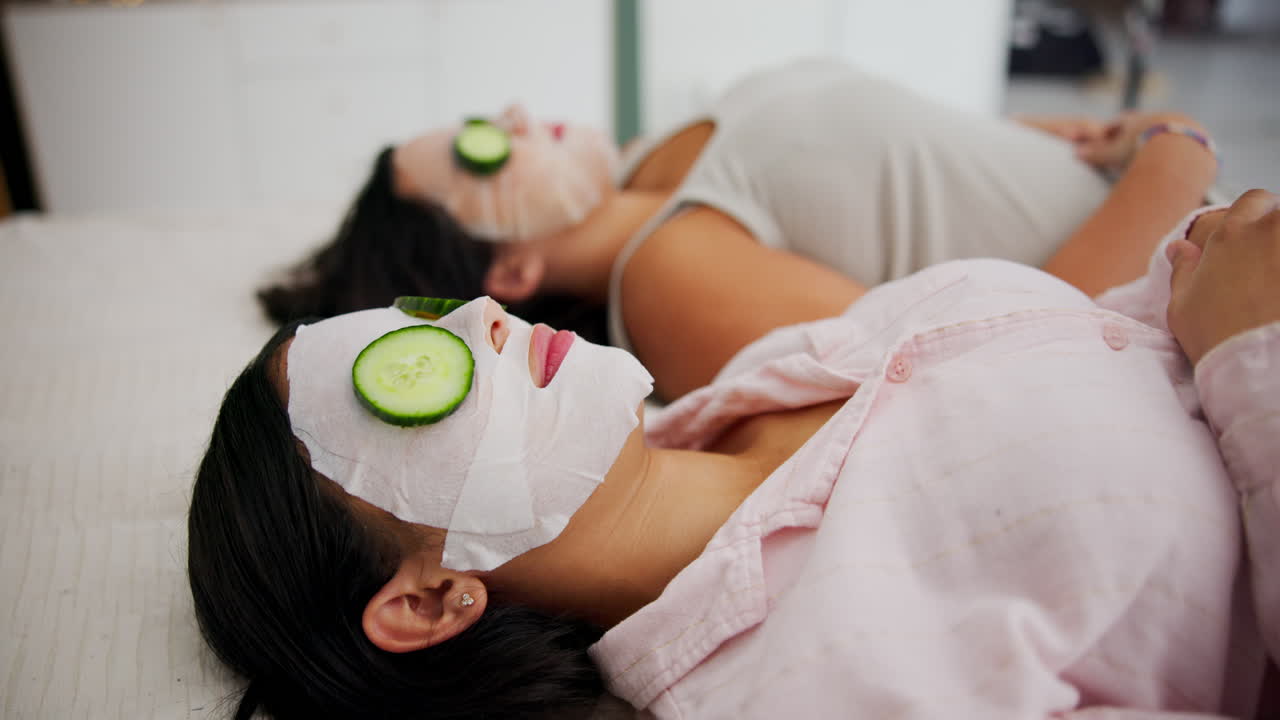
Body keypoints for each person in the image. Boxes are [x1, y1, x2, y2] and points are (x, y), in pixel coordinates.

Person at [189, 185, 1280, 719]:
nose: (480, 318)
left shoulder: (777, 366)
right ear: (428, 601)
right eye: (416, 385)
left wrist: (1191, 270)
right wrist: (1242, 354)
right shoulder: (814, 689)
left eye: (426, 315)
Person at [258, 59, 1219, 400]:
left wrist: (1040, 140)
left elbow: (903, 164)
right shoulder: (670, 276)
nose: (513, 113)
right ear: (509, 266)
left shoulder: (665, 154)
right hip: (1195, 274)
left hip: (1165, 198)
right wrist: (1175, 151)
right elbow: (1014, 356)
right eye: (479, 152)